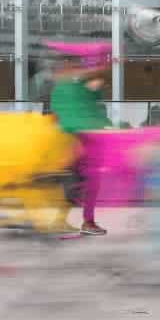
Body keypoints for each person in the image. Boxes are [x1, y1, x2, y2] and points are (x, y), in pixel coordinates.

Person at [48, 43, 112, 236]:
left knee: (78, 182)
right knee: (84, 181)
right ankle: (86, 222)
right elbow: (95, 82)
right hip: (79, 139)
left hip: (79, 138)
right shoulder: (71, 87)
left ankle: (65, 221)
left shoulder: (67, 87)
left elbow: (58, 115)